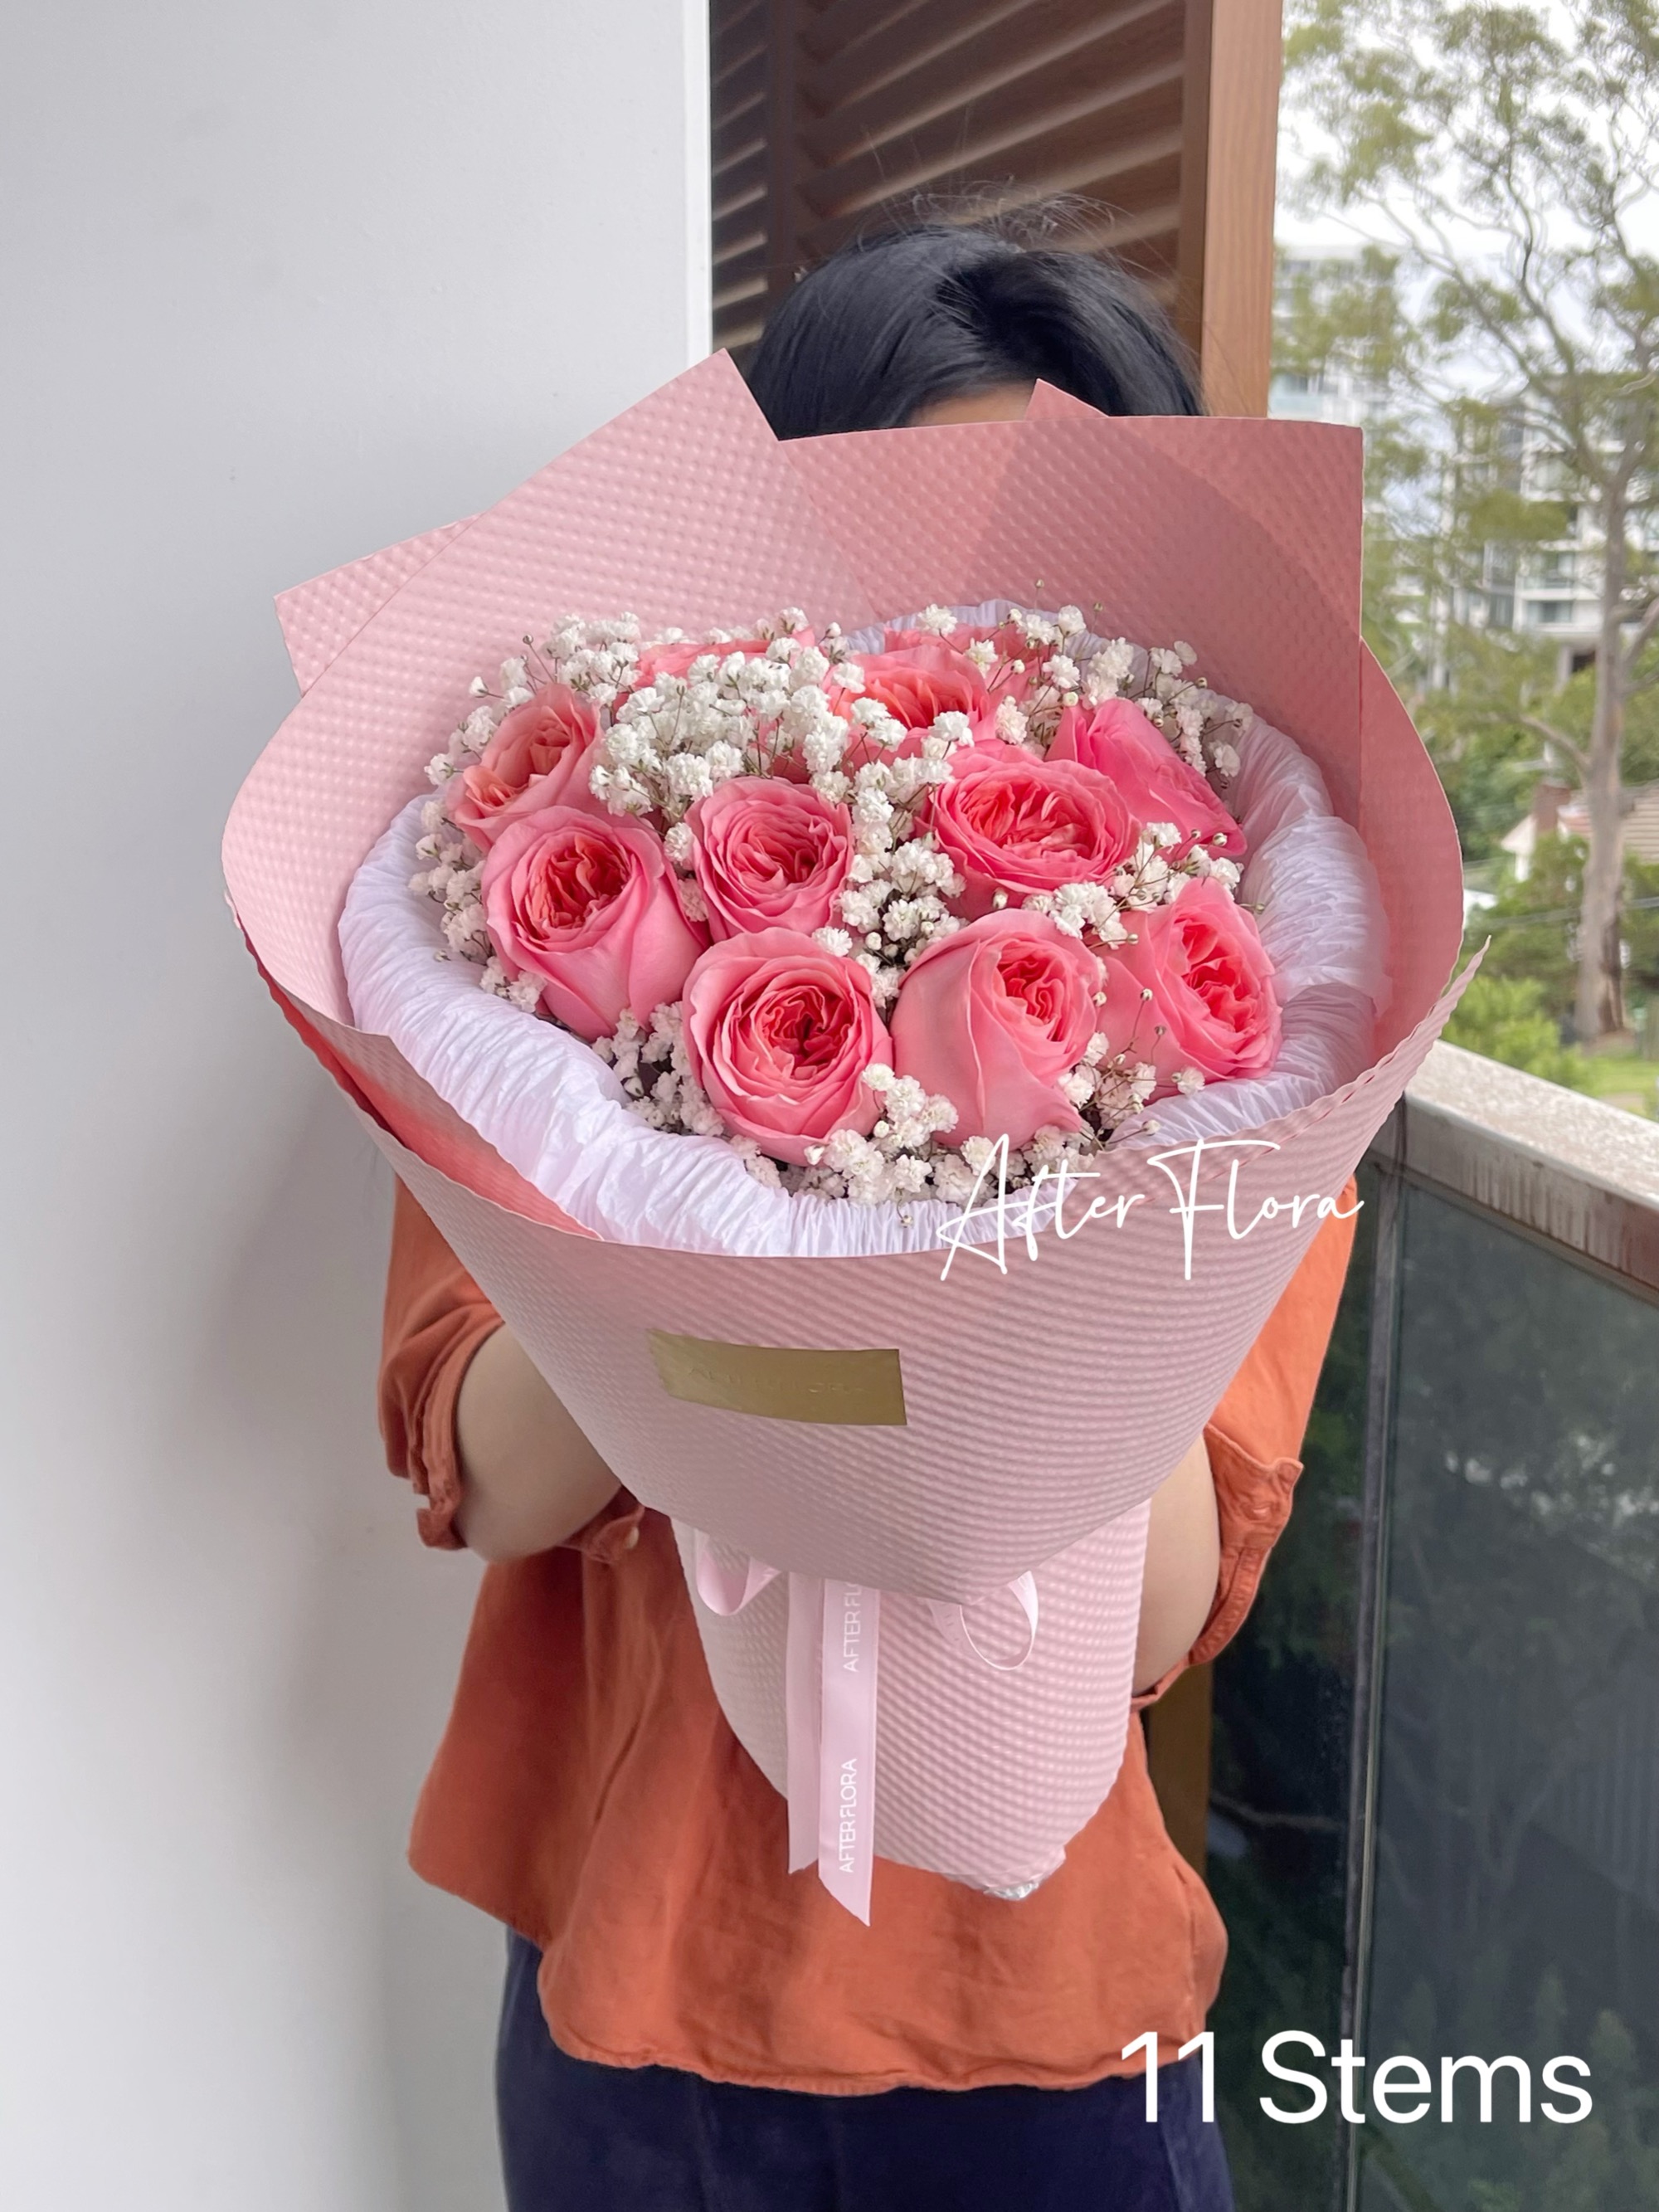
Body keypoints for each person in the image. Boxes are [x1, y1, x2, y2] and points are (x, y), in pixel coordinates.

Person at [380, 219, 1357, 2212]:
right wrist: (692, 1158)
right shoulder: (528, 998)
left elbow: (1156, 1607)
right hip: (632, 1996)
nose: (964, 649)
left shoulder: (1249, 1042)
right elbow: (492, 1480)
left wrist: (1038, 1145)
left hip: (1035, 2022)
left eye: (1043, 580)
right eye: (903, 558)